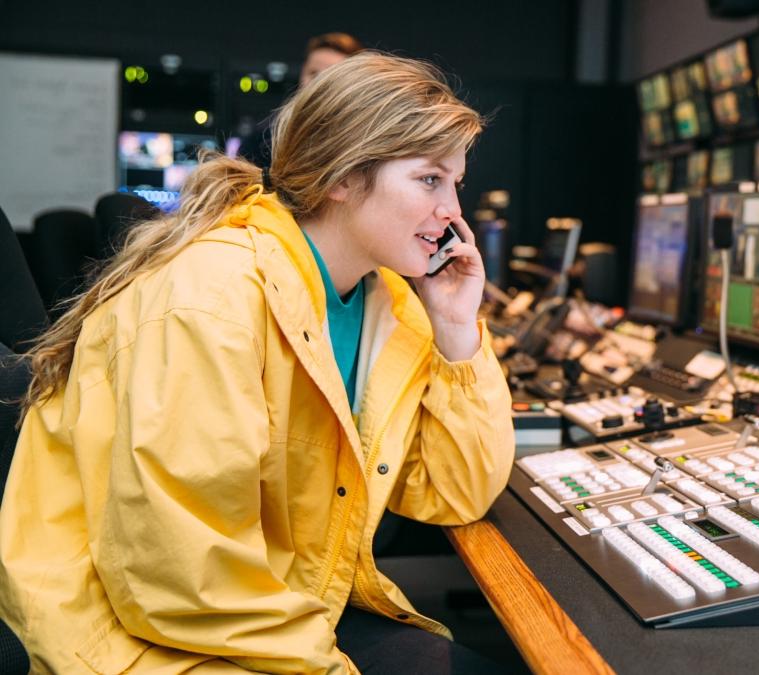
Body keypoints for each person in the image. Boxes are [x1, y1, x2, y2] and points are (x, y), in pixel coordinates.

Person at [0, 52, 514, 673]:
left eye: (455, 183)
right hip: (141, 632)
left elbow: (453, 494)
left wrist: (457, 331)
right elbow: (182, 574)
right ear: (342, 176)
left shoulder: (390, 306)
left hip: (273, 609)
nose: (453, 213)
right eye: (430, 180)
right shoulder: (211, 299)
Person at [240, 32, 365, 168]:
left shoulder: (365, 139)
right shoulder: (265, 136)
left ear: (354, 80)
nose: (318, 82)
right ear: (302, 73)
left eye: (329, 74)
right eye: (313, 73)